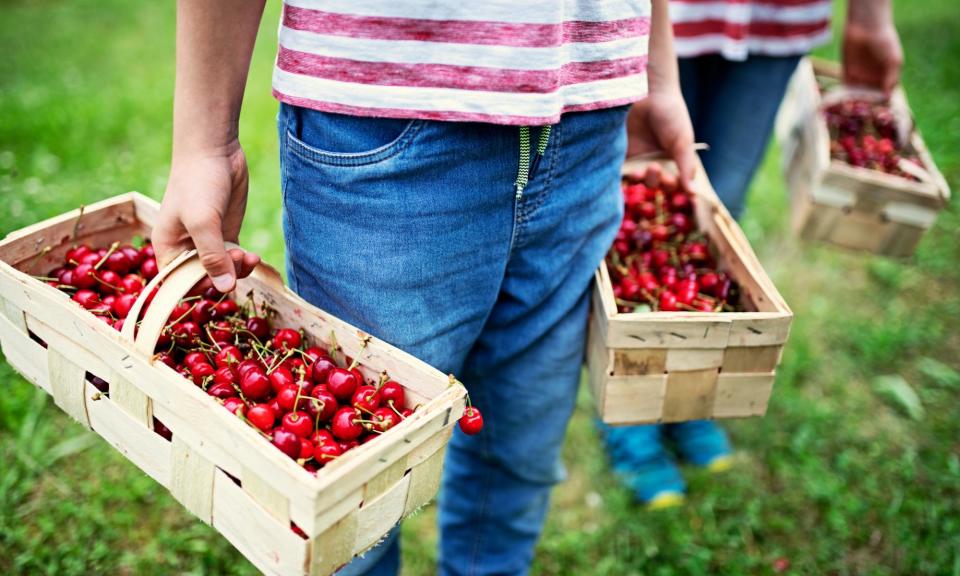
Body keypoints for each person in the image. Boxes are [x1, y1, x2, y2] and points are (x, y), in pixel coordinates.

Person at [154, 1, 696, 574]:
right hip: (390, 121)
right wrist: (204, 143)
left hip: (591, 117)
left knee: (520, 449)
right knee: (352, 497)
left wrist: (655, 71)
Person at [603, 0, 903, 508]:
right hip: (664, 11)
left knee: (721, 211)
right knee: (638, 196)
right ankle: (631, 409)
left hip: (775, 19)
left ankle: (689, 398)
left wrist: (870, 16)